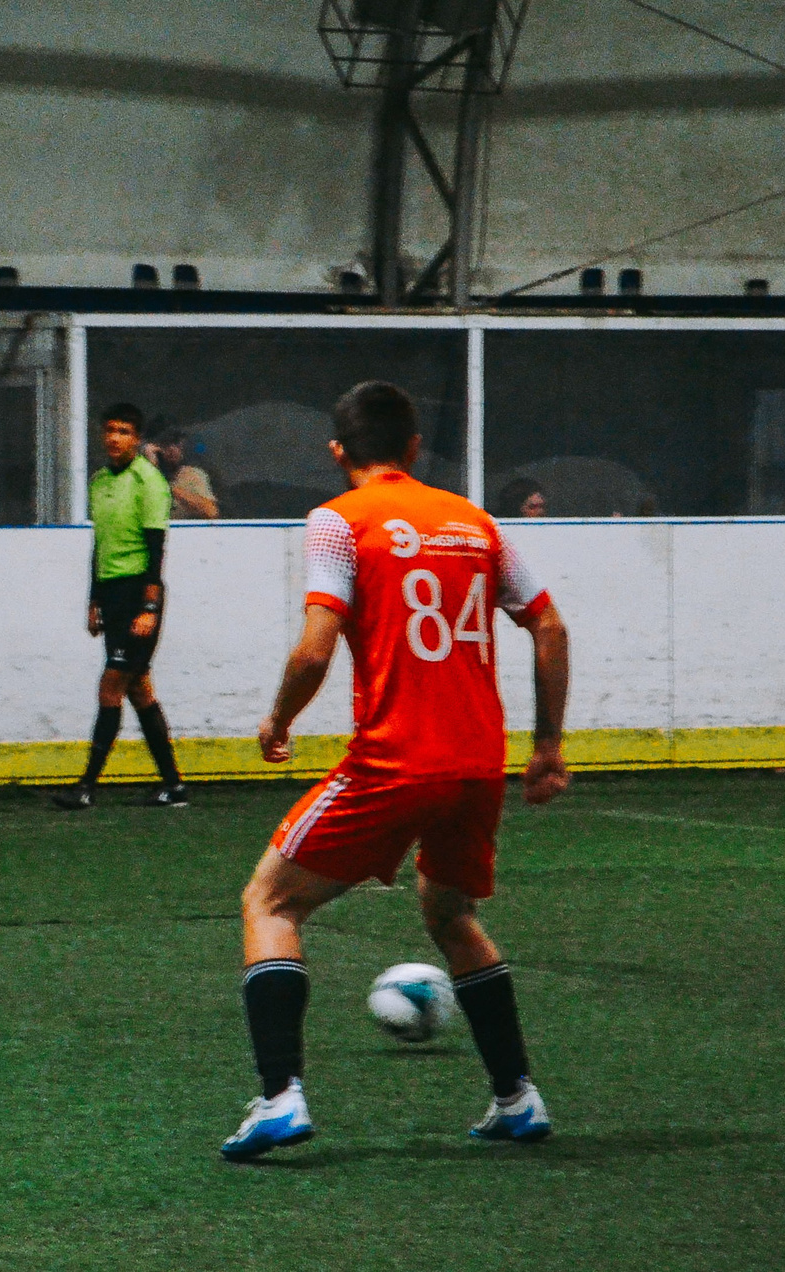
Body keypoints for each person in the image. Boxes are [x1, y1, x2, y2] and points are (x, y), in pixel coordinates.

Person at [220, 381, 572, 1161]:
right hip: (475, 765)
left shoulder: (339, 522)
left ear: (337, 451)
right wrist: (547, 745)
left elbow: (315, 648)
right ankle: (517, 1097)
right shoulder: (476, 522)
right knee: (449, 914)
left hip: (395, 759)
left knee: (269, 901)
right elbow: (548, 624)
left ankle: (279, 1098)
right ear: (414, 447)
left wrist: (278, 721)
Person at [52, 403, 188, 810]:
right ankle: (174, 786)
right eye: (110, 429)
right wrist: (94, 599)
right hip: (111, 595)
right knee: (139, 689)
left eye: (124, 431)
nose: (114, 437)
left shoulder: (149, 481)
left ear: (137, 438)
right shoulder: (99, 481)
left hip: (137, 594)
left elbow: (156, 549)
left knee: (111, 685)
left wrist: (150, 607)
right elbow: (101, 544)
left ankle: (86, 786)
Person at [148, 426, 220, 520]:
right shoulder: (144, 475)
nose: (171, 450)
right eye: (166, 445)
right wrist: (151, 467)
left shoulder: (192, 475)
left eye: (176, 445)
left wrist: (170, 488)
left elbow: (211, 512)